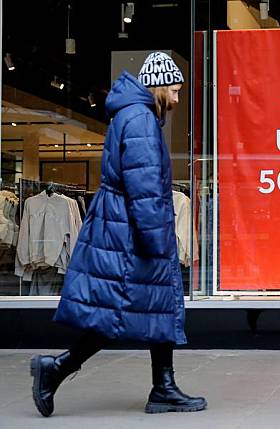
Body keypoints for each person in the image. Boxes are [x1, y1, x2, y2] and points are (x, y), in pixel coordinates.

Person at [29, 52, 207, 417]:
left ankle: (163, 387)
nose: (177, 99)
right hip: (130, 231)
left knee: (150, 305)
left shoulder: (136, 115)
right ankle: (56, 368)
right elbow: (142, 187)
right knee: (116, 311)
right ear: (158, 85)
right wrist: (157, 240)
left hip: (123, 226)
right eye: (174, 89)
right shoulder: (140, 118)